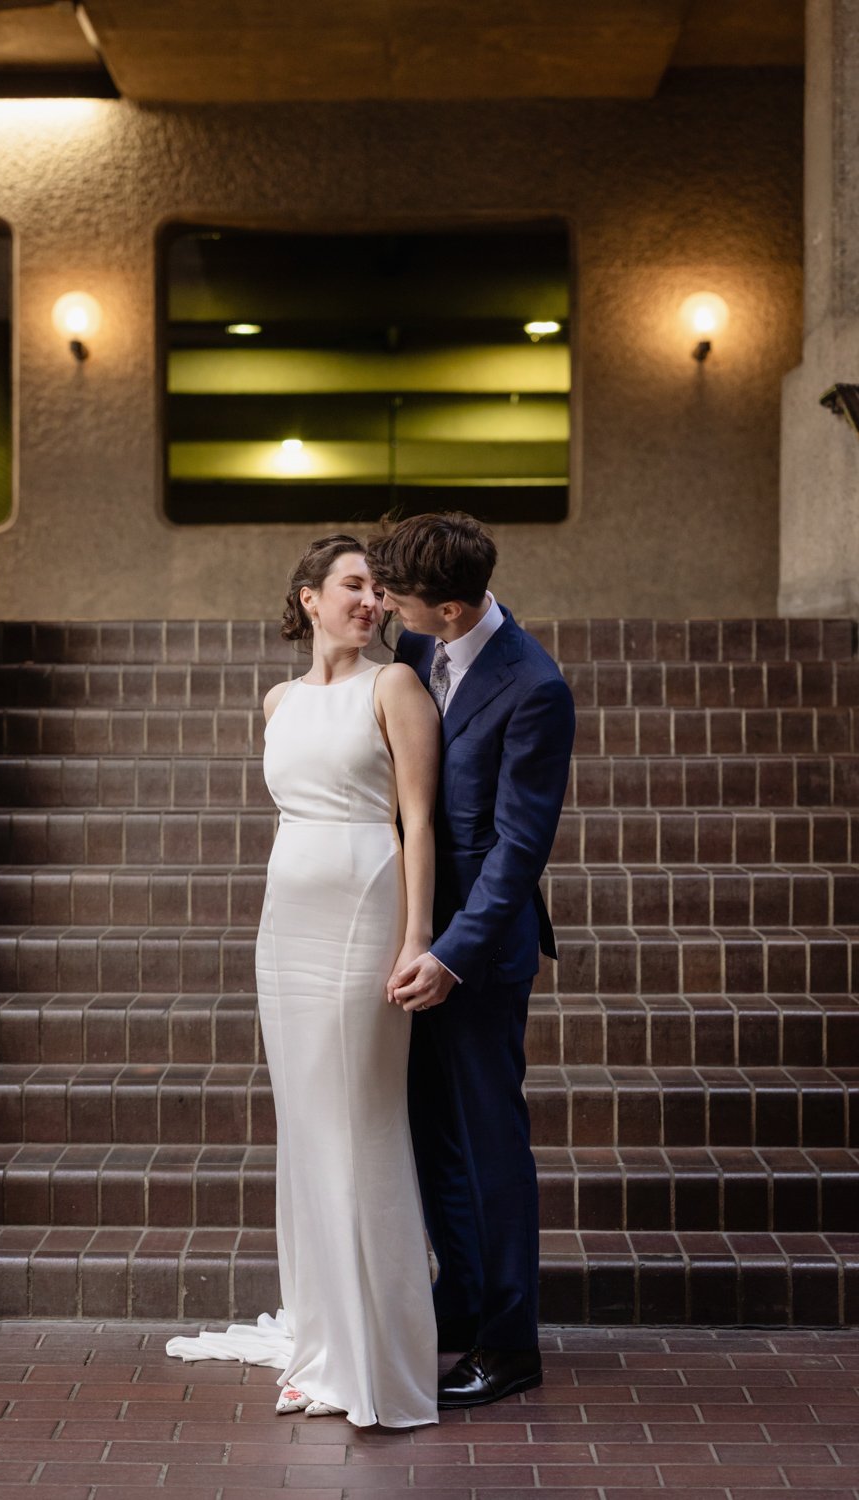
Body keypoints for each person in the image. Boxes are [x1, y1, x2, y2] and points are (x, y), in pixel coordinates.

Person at [166, 534, 441, 1430]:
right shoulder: (278, 699)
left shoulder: (396, 686)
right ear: (309, 598)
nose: (369, 600)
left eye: (377, 589)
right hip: (286, 924)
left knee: (361, 1125)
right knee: (307, 1130)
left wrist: (418, 935)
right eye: (353, 585)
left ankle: (378, 1357)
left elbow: (419, 821)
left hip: (367, 913)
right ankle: (320, 1340)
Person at [366, 511, 576, 1410]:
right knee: (429, 1138)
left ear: (449, 609)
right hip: (406, 939)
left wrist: (451, 951)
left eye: (398, 599)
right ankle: (454, 1304)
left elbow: (518, 849)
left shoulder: (535, 687)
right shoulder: (416, 659)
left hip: (479, 956)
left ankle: (509, 1342)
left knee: (493, 1149)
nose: (384, 608)